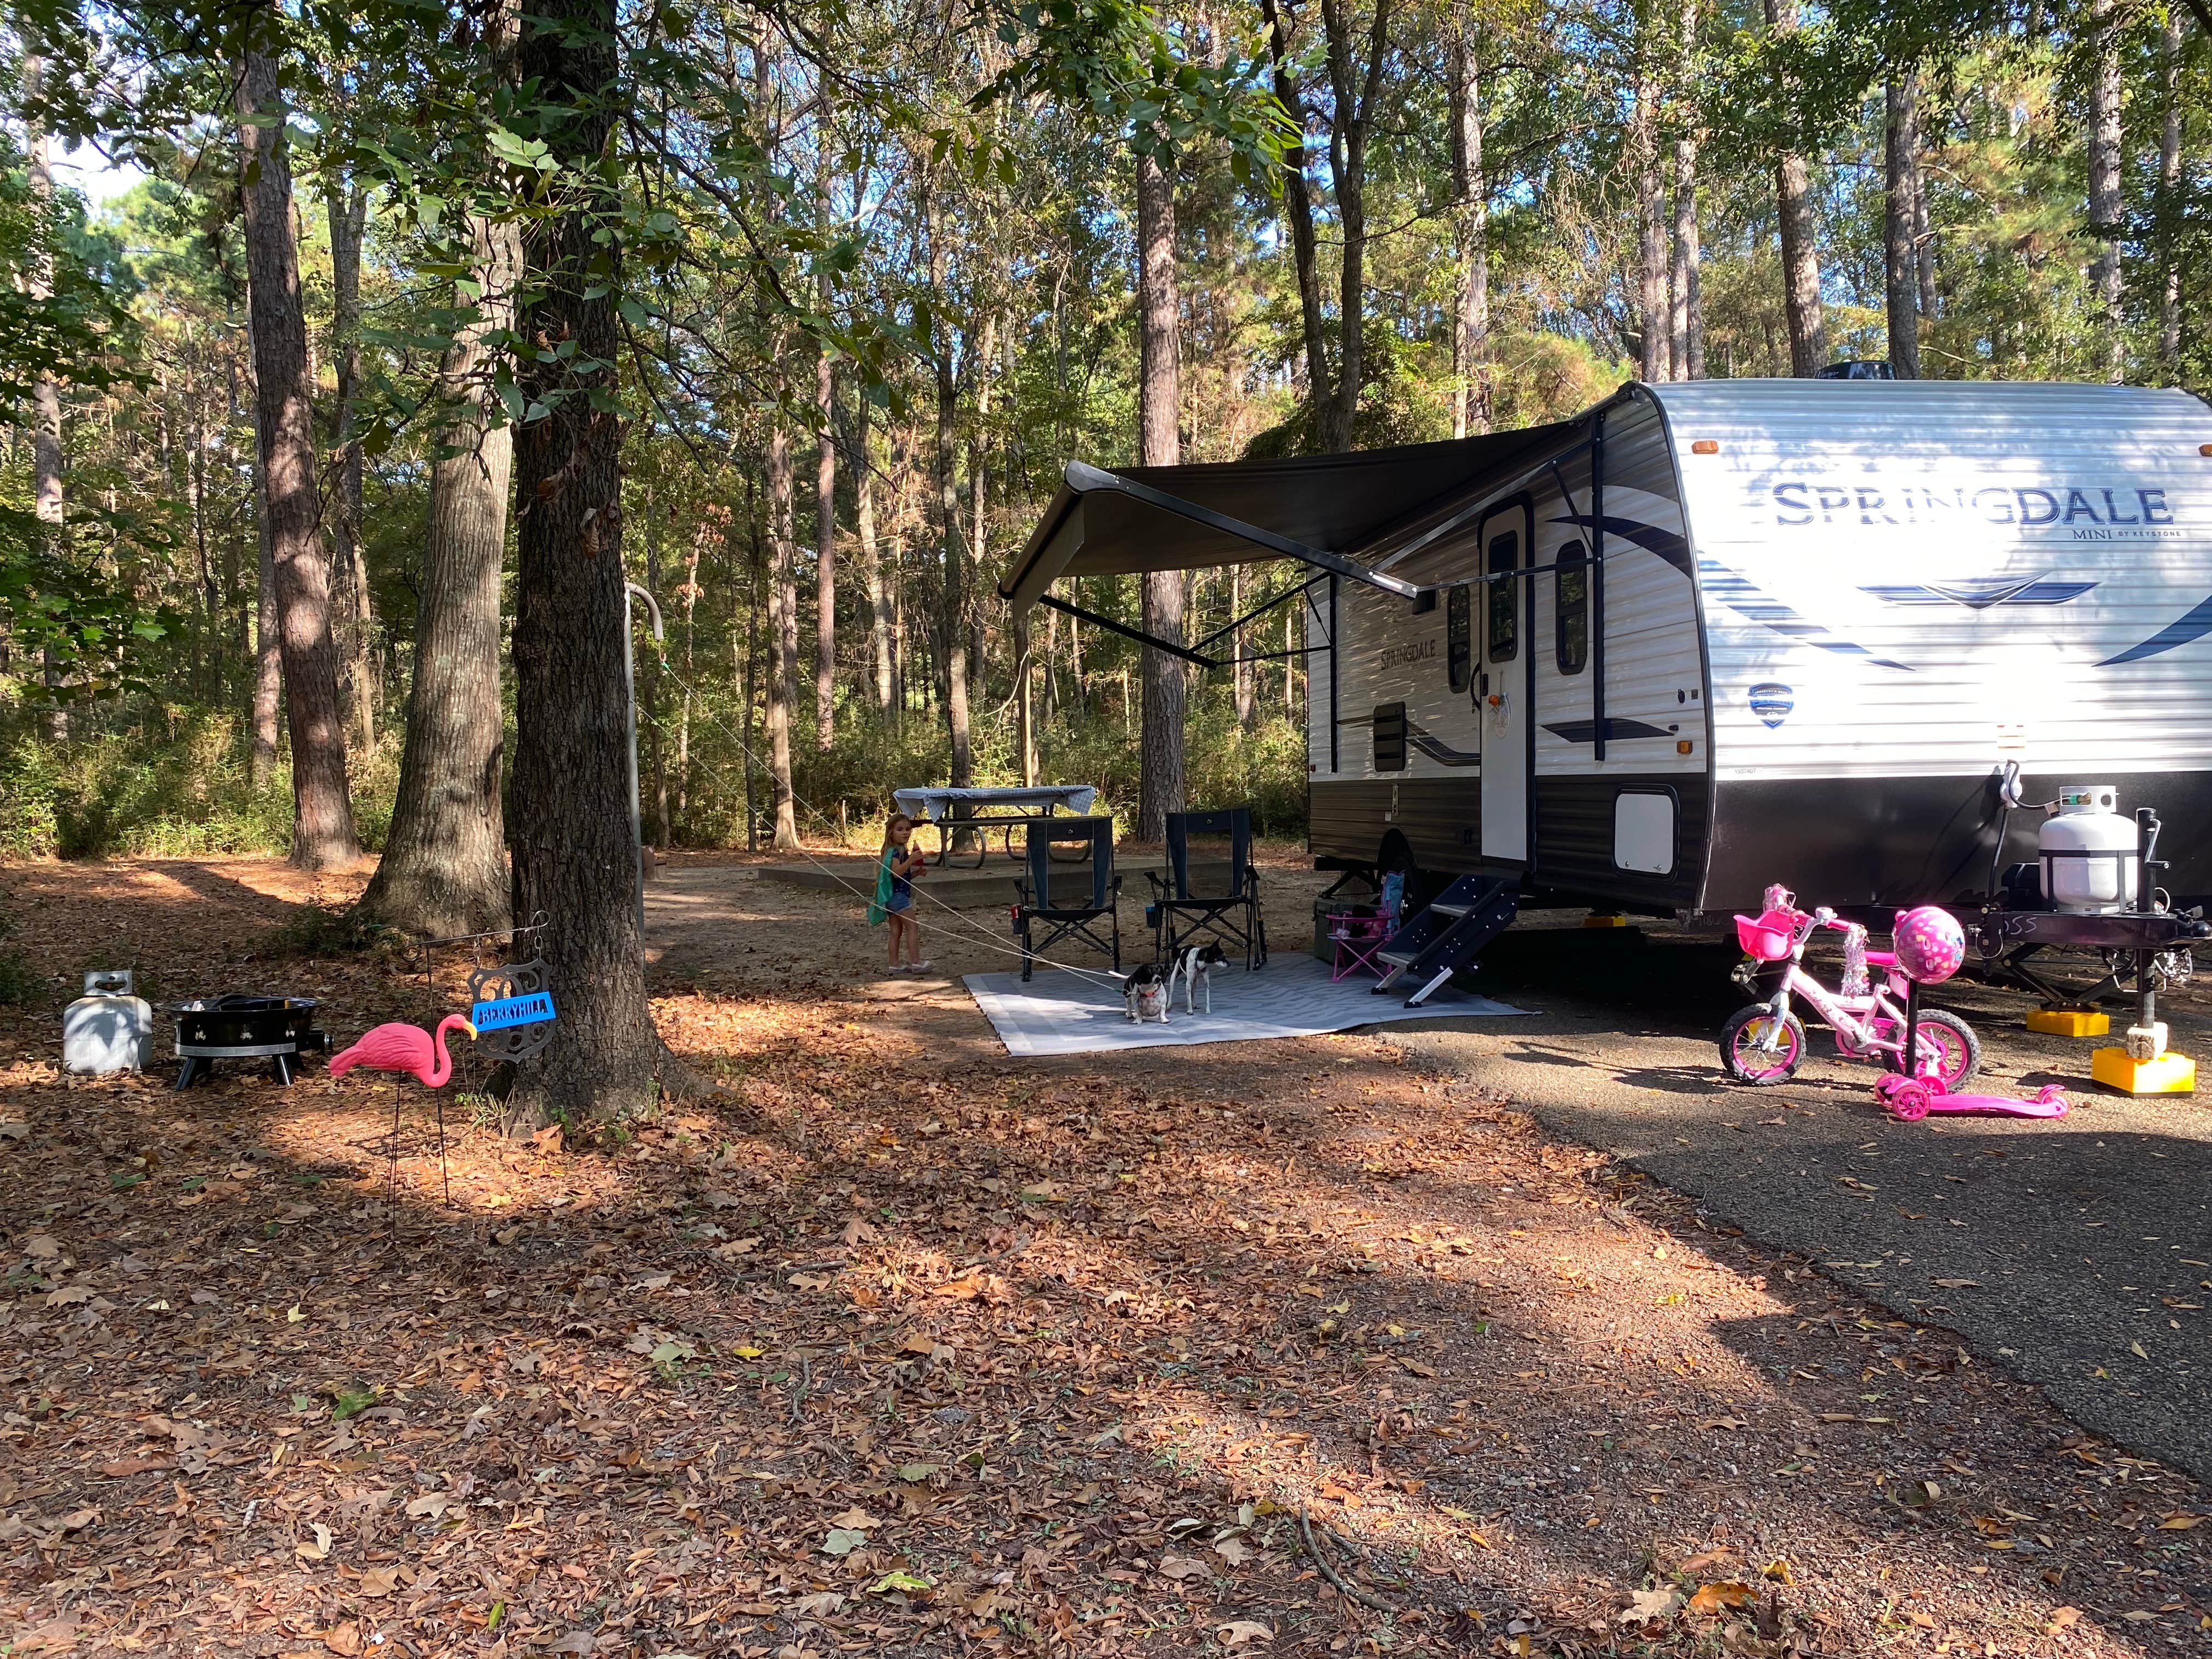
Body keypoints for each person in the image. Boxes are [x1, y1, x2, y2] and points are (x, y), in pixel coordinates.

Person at [868, 813, 929, 974]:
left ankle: (894, 964)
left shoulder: (897, 850)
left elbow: (899, 875)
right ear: (891, 832)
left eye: (908, 829)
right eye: (900, 829)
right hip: (898, 897)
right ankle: (916, 962)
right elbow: (896, 873)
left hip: (890, 896)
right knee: (913, 927)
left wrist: (915, 873)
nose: (905, 833)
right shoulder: (896, 851)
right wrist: (911, 861)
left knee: (897, 931)